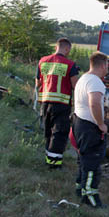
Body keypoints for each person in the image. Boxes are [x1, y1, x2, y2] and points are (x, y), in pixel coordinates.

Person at [72, 51, 109, 208]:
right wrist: (101, 124)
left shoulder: (84, 78)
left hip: (79, 123)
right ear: (102, 65)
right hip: (90, 127)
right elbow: (94, 103)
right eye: (107, 66)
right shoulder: (95, 82)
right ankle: (90, 197)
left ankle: (80, 187)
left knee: (83, 159)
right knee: (92, 162)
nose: (108, 69)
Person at [36, 38, 79, 168]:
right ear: (67, 49)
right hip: (61, 104)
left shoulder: (43, 61)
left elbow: (37, 83)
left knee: (48, 131)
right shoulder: (70, 65)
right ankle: (54, 165)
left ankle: (48, 159)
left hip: (45, 102)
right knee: (59, 133)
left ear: (56, 47)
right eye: (69, 50)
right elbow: (75, 85)